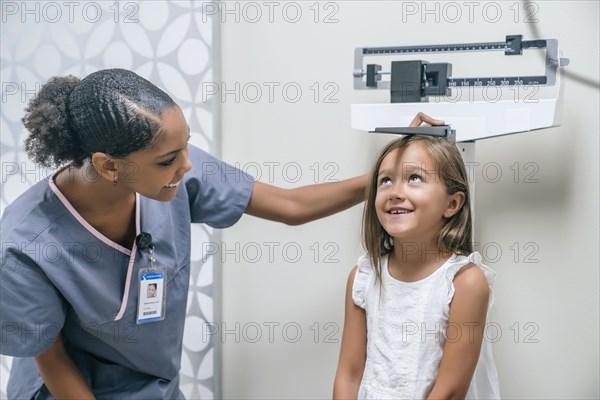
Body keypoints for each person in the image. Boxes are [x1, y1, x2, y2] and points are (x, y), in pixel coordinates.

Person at [0, 68, 440, 399]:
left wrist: (389, 171)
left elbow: (291, 206)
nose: (187, 166)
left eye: (186, 146)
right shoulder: (25, 244)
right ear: (108, 166)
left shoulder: (170, 173)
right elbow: (51, 359)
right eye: (169, 158)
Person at [333, 135, 500, 399]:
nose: (395, 192)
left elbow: (449, 391)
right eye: (385, 180)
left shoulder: (465, 283)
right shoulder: (363, 278)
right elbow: (349, 376)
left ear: (452, 204)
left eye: (414, 178)